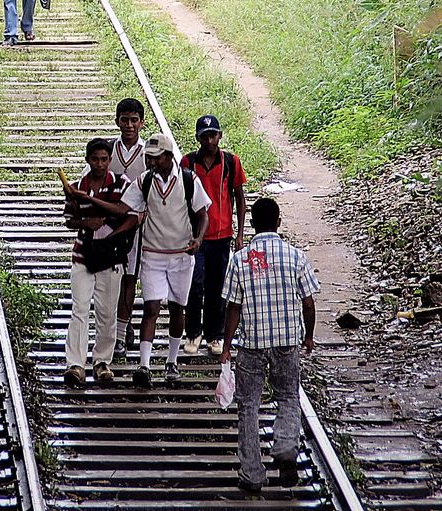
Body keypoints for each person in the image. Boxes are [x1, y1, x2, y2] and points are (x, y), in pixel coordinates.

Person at [220, 197, 320, 493]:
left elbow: (233, 308)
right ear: (279, 221)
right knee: (288, 396)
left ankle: (252, 473)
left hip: (251, 343)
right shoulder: (295, 256)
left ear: (251, 224)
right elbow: (309, 302)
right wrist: (309, 335)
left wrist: (227, 345)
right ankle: (286, 447)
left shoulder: (240, 259)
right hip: (288, 341)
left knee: (248, 406)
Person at [129, 132, 210, 389]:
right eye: (149, 158)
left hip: (181, 255)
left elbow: (202, 213)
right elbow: (125, 207)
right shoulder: (145, 181)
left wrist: (198, 239)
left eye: (156, 158)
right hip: (153, 254)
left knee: (177, 308)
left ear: (168, 157)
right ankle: (144, 365)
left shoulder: (188, 180)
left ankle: (172, 361)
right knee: (151, 308)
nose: (151, 163)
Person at [62, 139, 141, 388]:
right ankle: (75, 363)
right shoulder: (76, 187)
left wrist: (91, 205)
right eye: (95, 159)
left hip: (110, 257)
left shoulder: (121, 184)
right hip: (83, 256)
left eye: (104, 159)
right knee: (80, 309)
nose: (99, 164)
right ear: (88, 161)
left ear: (109, 161)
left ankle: (101, 361)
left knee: (107, 313)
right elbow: (69, 219)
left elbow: (126, 213)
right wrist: (87, 223)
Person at [181, 114, 248, 356]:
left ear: (220, 136)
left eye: (213, 135)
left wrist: (240, 233)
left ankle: (214, 335)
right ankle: (193, 333)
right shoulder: (187, 163)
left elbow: (239, 196)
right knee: (194, 284)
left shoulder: (231, 162)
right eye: (204, 136)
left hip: (221, 235)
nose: (209, 140)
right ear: (198, 138)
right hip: (196, 235)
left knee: (218, 286)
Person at [109, 98, 148, 361]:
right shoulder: (108, 150)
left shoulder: (149, 153)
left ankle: (121, 333)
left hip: (137, 226)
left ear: (142, 123)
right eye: (125, 120)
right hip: (109, 224)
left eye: (134, 120)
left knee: (130, 278)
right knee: (109, 279)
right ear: (117, 122)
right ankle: (112, 328)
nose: (130, 125)